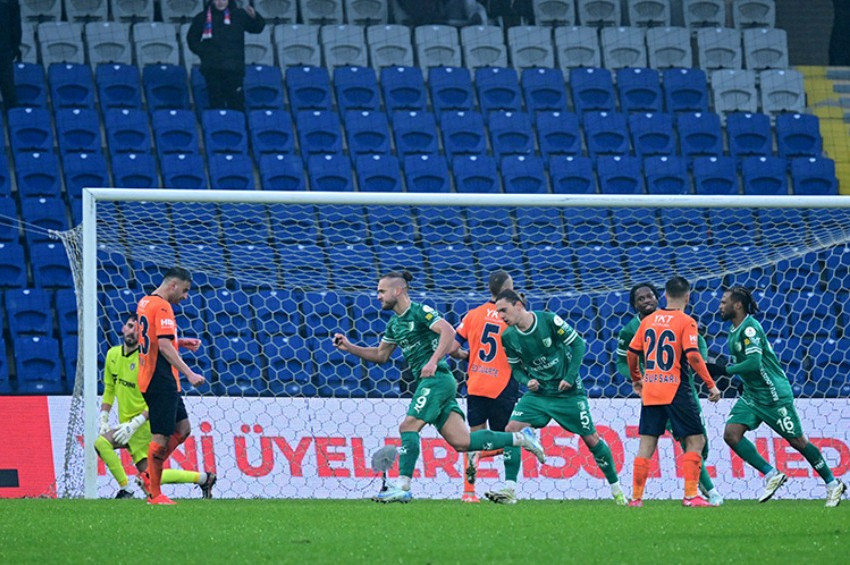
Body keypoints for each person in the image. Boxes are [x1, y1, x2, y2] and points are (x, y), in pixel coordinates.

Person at [333, 270, 546, 503]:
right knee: (462, 442)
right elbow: (381, 355)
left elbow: (447, 330)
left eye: (382, 291)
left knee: (408, 426)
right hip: (433, 382)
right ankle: (520, 438)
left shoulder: (420, 312)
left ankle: (402, 486)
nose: (378, 296)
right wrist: (350, 347)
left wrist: (433, 361)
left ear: (398, 290)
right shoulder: (395, 324)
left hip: (436, 379)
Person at [710, 287, 846, 507]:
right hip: (753, 395)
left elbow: (754, 363)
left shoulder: (750, 329)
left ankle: (832, 484)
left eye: (724, 301)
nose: (720, 305)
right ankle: (771, 474)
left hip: (773, 394)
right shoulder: (734, 330)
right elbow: (750, 367)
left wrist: (726, 370)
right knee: (731, 434)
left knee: (797, 441)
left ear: (737, 305)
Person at [492, 289, 626, 505]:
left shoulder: (548, 320)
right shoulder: (508, 337)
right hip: (539, 394)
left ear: (518, 305)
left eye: (503, 310)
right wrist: (527, 382)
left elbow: (578, 344)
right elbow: (515, 369)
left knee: (591, 439)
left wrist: (571, 376)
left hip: (568, 393)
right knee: (511, 430)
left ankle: (617, 491)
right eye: (498, 312)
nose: (501, 316)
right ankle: (509, 490)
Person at [615, 282, 724, 506]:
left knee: (646, 443)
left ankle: (636, 498)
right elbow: (694, 356)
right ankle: (691, 495)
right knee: (697, 440)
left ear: (663, 296)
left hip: (652, 389)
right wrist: (710, 384)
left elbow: (632, 353)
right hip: (676, 389)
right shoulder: (686, 321)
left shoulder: (648, 322)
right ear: (688, 297)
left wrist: (637, 378)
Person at [96, 313, 216, 499]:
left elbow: (159, 399)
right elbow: (109, 388)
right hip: (126, 423)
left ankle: (126, 489)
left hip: (143, 423)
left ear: (143, 335)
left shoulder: (148, 360)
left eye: (137, 329)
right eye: (129, 326)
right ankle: (203, 478)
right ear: (122, 328)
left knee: (101, 443)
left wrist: (135, 423)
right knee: (148, 474)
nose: (132, 332)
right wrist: (104, 416)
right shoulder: (112, 355)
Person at [136, 267, 207, 505]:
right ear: (173, 285)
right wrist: (189, 373)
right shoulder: (163, 306)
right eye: (185, 291)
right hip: (160, 379)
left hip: (155, 377)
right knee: (162, 437)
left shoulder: (145, 302)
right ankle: (154, 494)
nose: (185, 297)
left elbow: (151, 338)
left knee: (183, 428)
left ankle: (149, 475)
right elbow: (164, 346)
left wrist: (180, 341)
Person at [451, 270, 520, 503]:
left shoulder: (473, 315)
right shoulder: (510, 314)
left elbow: (452, 346)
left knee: (474, 438)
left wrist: (466, 356)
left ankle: (468, 493)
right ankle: (509, 490)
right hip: (502, 384)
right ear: (507, 288)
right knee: (512, 439)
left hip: (476, 384)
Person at [186, 0, 265, 111]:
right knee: (216, 105)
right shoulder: (202, 17)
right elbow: (192, 40)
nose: (220, 2)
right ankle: (219, 127)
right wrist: (205, 53)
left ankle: (238, 128)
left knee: (237, 105)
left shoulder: (239, 15)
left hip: (234, 70)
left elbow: (257, 28)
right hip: (212, 70)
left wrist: (255, 17)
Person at [0, 0, 22, 111]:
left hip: (4, 49)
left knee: (8, 87)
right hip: (5, 49)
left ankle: (13, 117)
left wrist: (14, 46)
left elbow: (16, 25)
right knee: (8, 86)